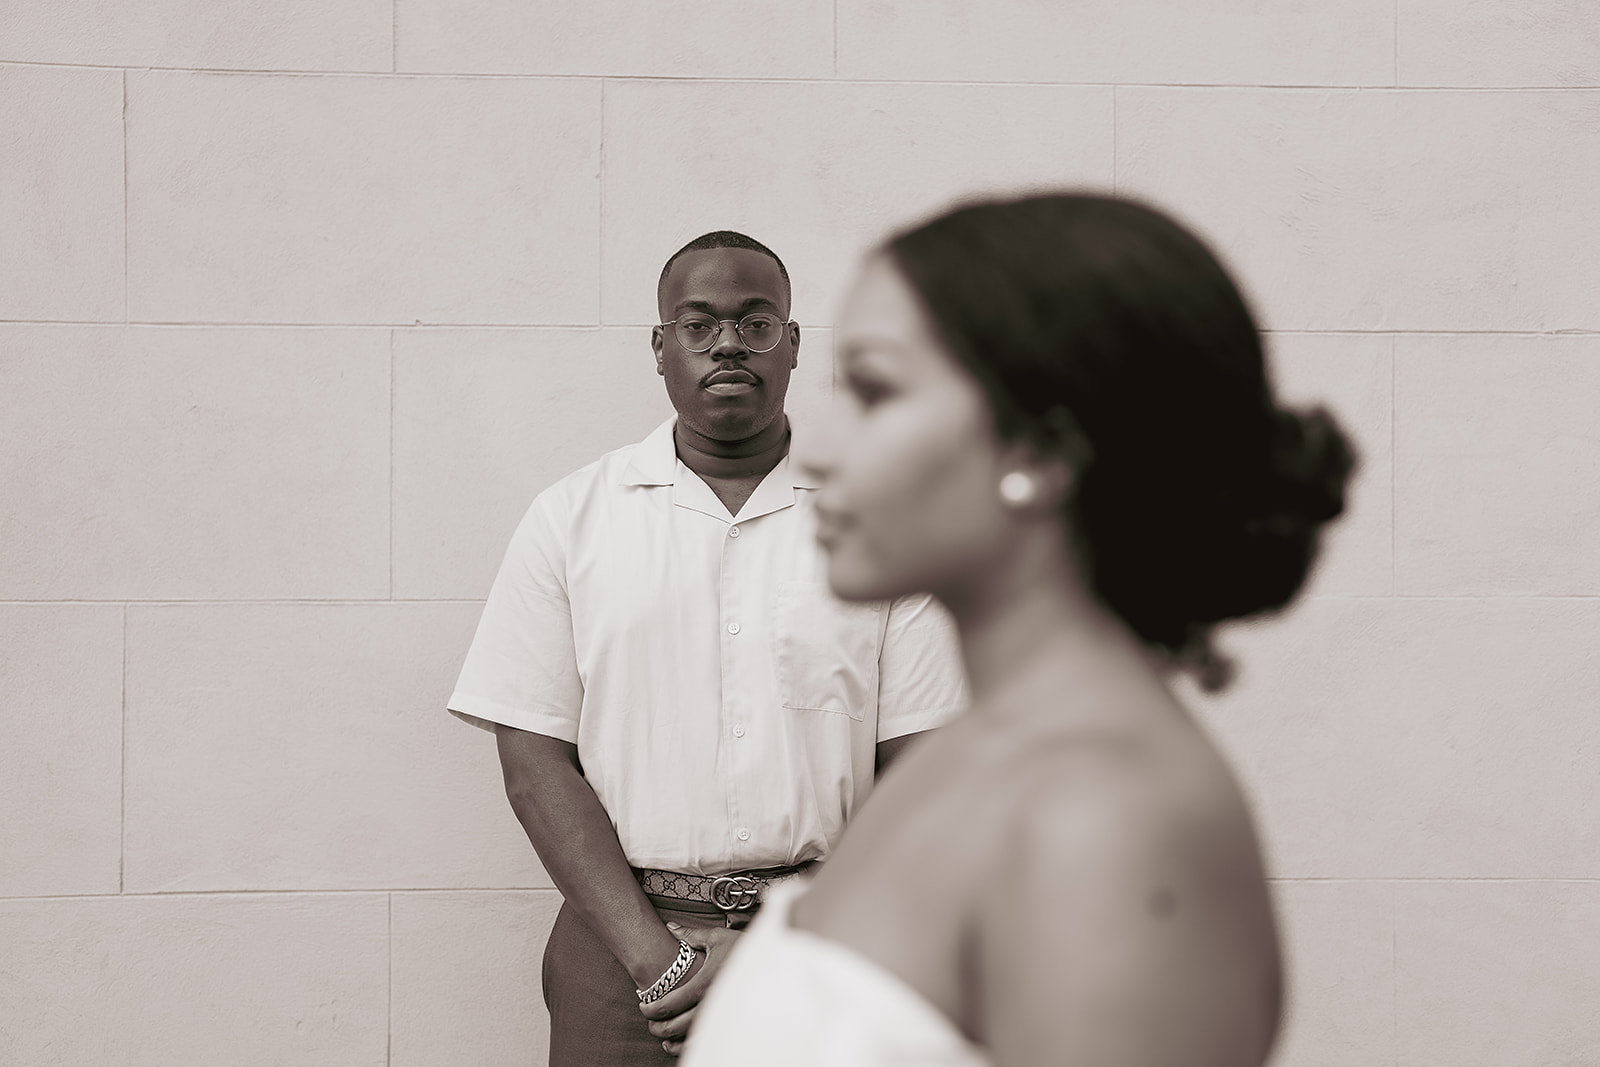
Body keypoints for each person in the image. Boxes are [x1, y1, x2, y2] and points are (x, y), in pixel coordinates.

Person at [681, 194, 1355, 1066]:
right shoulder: (980, 752)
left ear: (1037, 451)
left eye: (877, 391)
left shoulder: (1111, 819)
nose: (820, 449)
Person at [446, 230, 968, 1065]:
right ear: (661, 347)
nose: (728, 342)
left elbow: (927, 772)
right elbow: (533, 757)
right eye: (699, 324)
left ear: (793, 345)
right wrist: (659, 960)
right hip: (621, 959)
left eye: (757, 322)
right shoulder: (572, 519)